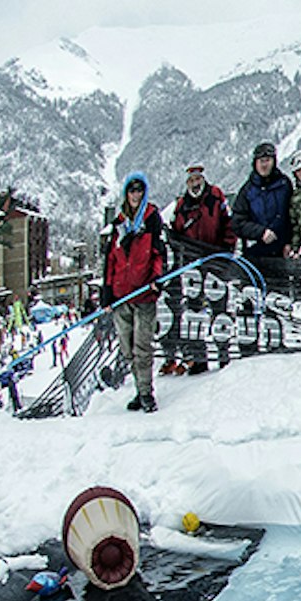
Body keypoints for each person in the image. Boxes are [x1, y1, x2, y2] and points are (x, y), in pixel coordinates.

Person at [100, 173, 167, 413]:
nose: (135, 195)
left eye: (139, 191)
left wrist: (157, 278)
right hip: (121, 296)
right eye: (131, 191)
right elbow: (110, 260)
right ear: (126, 194)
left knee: (142, 347)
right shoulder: (119, 223)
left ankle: (147, 393)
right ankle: (139, 390)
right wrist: (106, 292)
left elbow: (159, 253)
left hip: (144, 294)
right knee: (127, 349)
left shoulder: (151, 219)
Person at [164, 162, 234, 374]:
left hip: (216, 262)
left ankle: (223, 355)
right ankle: (198, 358)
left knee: (219, 309)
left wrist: (227, 251)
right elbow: (175, 231)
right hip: (192, 267)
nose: (195, 184)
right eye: (191, 181)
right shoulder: (182, 205)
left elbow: (228, 225)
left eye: (197, 179)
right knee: (194, 311)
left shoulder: (216, 196)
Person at [229, 141, 295, 292]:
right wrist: (260, 232)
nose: (264, 165)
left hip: (280, 257)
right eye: (261, 161)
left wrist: (290, 242)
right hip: (254, 256)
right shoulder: (247, 190)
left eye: (268, 160)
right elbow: (237, 223)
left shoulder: (284, 185)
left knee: (279, 301)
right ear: (255, 163)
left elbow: (292, 217)